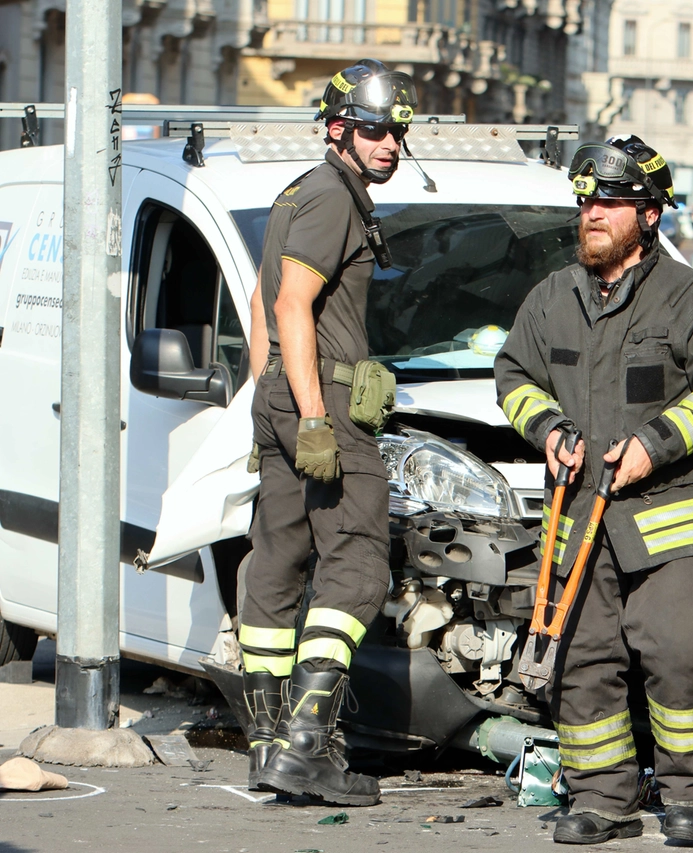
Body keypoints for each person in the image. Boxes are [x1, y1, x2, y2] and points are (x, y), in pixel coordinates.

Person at [494, 135, 693, 845]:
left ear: (649, 214)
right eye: (585, 201)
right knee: (580, 656)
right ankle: (605, 798)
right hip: (578, 515)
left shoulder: (690, 298)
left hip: (663, 517)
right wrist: (545, 427)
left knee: (678, 648)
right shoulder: (554, 298)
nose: (591, 214)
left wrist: (652, 445)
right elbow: (513, 374)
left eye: (608, 201)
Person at [239, 58, 417, 807]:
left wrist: (268, 394)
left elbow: (259, 299)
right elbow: (289, 307)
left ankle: (267, 743)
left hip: (288, 396)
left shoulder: (296, 193)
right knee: (357, 564)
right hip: (326, 404)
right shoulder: (331, 198)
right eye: (375, 131)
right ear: (339, 129)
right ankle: (307, 747)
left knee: (277, 564)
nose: (389, 146)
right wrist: (311, 416)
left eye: (397, 133)